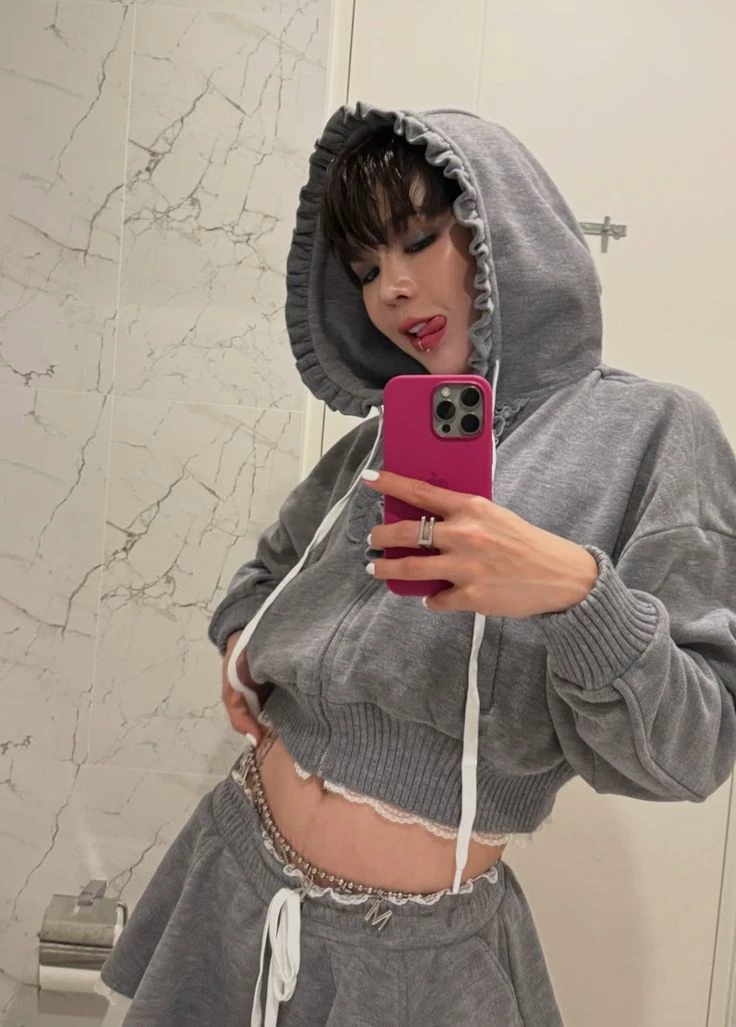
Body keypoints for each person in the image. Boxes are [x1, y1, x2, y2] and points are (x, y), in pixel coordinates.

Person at [100, 102, 736, 1027]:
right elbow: (270, 569)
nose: (392, 289)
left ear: (502, 230)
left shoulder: (656, 435)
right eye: (365, 269)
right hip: (231, 876)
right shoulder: (382, 441)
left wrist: (575, 592)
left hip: (417, 965)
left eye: (420, 239)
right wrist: (241, 642)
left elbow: (694, 749)